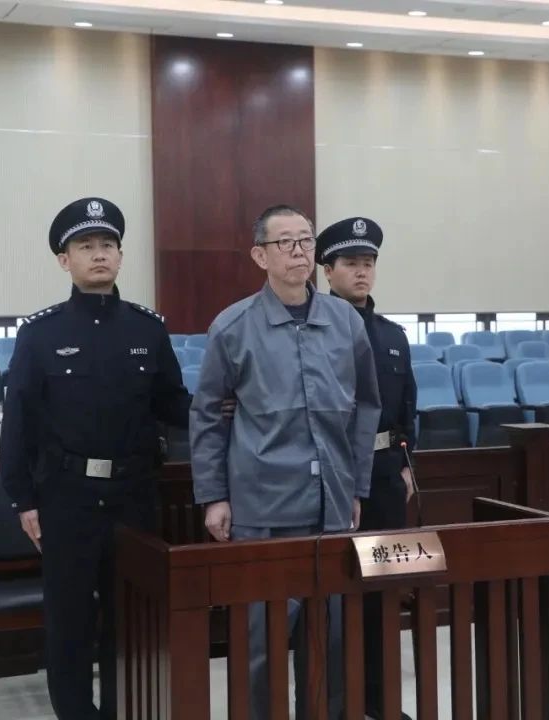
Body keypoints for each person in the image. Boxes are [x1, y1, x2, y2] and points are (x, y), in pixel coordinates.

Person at [0, 197, 190, 720]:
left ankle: (122, 710)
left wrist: (228, 404)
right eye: (86, 246)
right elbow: (18, 422)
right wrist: (22, 499)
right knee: (70, 620)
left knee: (130, 618)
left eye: (108, 245)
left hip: (134, 496)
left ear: (121, 256)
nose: (99, 254)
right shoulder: (41, 333)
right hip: (67, 499)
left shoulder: (147, 329)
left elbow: (173, 403)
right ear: (65, 260)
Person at [190, 204, 381, 720]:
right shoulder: (233, 326)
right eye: (286, 242)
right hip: (263, 508)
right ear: (260, 256)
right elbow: (207, 415)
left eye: (306, 240)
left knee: (332, 643)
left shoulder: (345, 322)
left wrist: (356, 487)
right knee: (261, 646)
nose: (299, 251)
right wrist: (214, 496)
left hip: (331, 505)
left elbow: (366, 407)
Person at [316, 216, 418, 720]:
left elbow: (406, 409)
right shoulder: (313, 329)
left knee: (383, 586)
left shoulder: (391, 335)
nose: (362, 272)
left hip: (383, 474)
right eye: (351, 263)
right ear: (327, 270)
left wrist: (405, 464)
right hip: (334, 473)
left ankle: (380, 700)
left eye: (368, 263)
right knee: (337, 592)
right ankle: (339, 702)